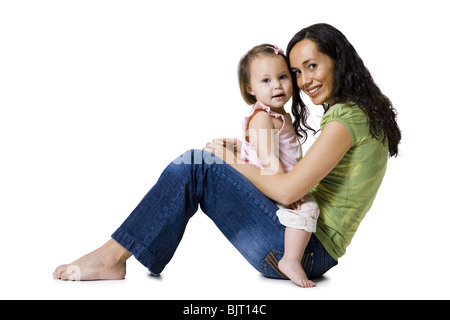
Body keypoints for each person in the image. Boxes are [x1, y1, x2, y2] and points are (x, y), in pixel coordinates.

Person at [53, 23, 401, 285]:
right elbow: (284, 173)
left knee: (196, 164)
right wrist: (240, 155)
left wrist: (227, 161)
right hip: (302, 242)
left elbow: (286, 190)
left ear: (338, 61)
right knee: (200, 164)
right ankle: (119, 255)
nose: (303, 80)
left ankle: (112, 257)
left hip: (300, 251)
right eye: (296, 72)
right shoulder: (357, 115)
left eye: (312, 66)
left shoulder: (348, 119)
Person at [237, 43, 319, 287]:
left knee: (310, 199)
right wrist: (288, 192)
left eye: (283, 77)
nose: (277, 85)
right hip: (270, 184)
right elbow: (269, 161)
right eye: (266, 81)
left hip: (281, 181)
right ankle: (290, 259)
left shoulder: (280, 116)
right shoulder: (263, 118)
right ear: (250, 88)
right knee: (308, 207)